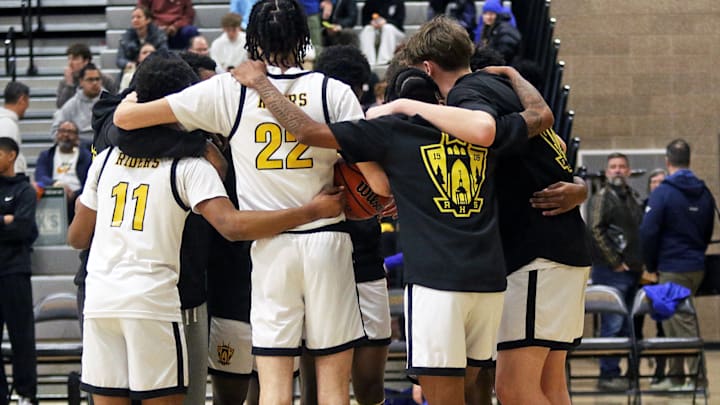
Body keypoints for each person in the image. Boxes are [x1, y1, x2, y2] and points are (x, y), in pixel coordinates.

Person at [232, 41, 553, 403]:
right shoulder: (483, 130)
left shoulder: (389, 132)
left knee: (433, 393)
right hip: (487, 277)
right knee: (476, 386)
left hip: (434, 281)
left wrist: (261, 83)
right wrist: (514, 75)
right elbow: (540, 117)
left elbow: (306, 132)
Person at [113, 1, 370, 403]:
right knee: (334, 383)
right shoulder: (333, 91)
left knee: (274, 383)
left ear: (252, 39)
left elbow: (127, 121)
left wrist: (128, 99)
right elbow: (367, 171)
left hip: (271, 246)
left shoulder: (226, 90)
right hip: (328, 238)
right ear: (304, 37)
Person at [68, 54, 345, 405]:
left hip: (100, 300)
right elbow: (232, 226)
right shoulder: (191, 166)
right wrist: (310, 211)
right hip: (151, 301)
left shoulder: (105, 159)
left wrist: (86, 207)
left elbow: (77, 237)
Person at [298, 45, 391, 405]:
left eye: (352, 89)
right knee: (315, 390)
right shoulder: (303, 134)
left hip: (364, 263)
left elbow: (387, 191)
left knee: (370, 387)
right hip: (318, 261)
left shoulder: (371, 131)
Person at [640, 139, 715, 391]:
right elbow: (707, 229)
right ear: (689, 159)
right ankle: (675, 378)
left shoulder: (663, 191)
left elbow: (648, 232)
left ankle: (697, 380)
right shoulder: (704, 192)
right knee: (673, 322)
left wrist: (650, 264)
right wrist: (696, 252)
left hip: (672, 266)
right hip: (696, 266)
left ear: (667, 161)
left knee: (682, 325)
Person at [588, 152, 644, 391]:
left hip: (631, 272)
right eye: (613, 167)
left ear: (629, 171)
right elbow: (595, 230)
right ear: (607, 172)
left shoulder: (632, 197)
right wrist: (615, 262)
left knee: (626, 326)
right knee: (612, 325)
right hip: (610, 272)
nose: (618, 170)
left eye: (622, 167)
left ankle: (622, 374)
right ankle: (608, 375)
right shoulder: (602, 197)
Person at [0, 137, 38, 405]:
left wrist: (12, 223)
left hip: (15, 271)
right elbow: (14, 226)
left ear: (11, 155)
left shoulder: (24, 189)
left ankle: (26, 394)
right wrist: (6, 220)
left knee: (21, 336)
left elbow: (25, 228)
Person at [34, 120, 92, 221]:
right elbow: (40, 176)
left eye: (70, 132)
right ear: (57, 134)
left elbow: (90, 181)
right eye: (62, 131)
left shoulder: (86, 156)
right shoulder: (46, 155)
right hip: (52, 196)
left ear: (77, 136)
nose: (65, 135)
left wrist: (74, 194)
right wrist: (57, 184)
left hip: (78, 198)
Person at [51, 63, 105, 144]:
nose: (95, 83)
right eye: (90, 79)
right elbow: (55, 131)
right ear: (81, 81)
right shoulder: (71, 105)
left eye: (97, 79)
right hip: (78, 148)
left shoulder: (110, 102)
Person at [57, 43, 117, 109]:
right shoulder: (65, 82)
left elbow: (114, 104)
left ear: (86, 61)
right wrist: (69, 86)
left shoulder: (105, 80)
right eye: (69, 59)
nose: (70, 63)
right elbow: (61, 107)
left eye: (75, 59)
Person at [116, 6, 168, 72]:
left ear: (148, 20)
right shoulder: (126, 37)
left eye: (138, 17)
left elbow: (164, 55)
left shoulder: (158, 35)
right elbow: (119, 59)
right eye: (133, 17)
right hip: (134, 69)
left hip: (155, 69)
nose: (135, 20)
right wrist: (127, 63)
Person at [359, 0, 406, 65]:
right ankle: (368, 60)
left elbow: (399, 22)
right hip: (375, 30)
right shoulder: (370, 2)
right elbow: (364, 21)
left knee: (387, 28)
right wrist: (371, 22)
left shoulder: (398, 2)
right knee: (367, 29)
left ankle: (384, 60)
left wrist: (386, 21)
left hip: (394, 32)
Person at [0, 81, 29, 175]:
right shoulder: (7, 125)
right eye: (27, 102)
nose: (27, 107)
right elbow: (5, 160)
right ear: (22, 99)